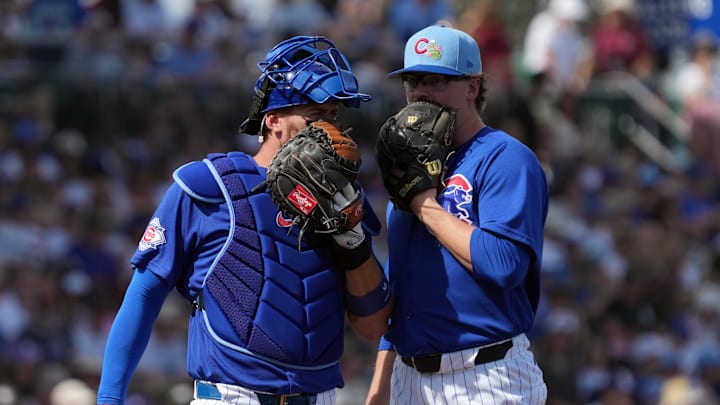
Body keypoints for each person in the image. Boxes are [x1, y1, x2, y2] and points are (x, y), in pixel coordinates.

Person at [96, 35, 392, 405]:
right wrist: (110, 398)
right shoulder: (211, 186)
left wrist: (354, 243)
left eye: (334, 117)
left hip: (318, 396)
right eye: (316, 117)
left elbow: (372, 324)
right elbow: (144, 293)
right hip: (233, 395)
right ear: (273, 120)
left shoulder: (347, 199)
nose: (330, 132)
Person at [365, 25, 549, 404]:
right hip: (408, 376)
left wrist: (425, 206)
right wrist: (380, 385)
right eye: (413, 80)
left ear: (473, 87)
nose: (420, 93)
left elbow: (502, 264)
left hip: (484, 375)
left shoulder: (504, 157)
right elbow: (401, 292)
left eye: (436, 81)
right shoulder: (410, 164)